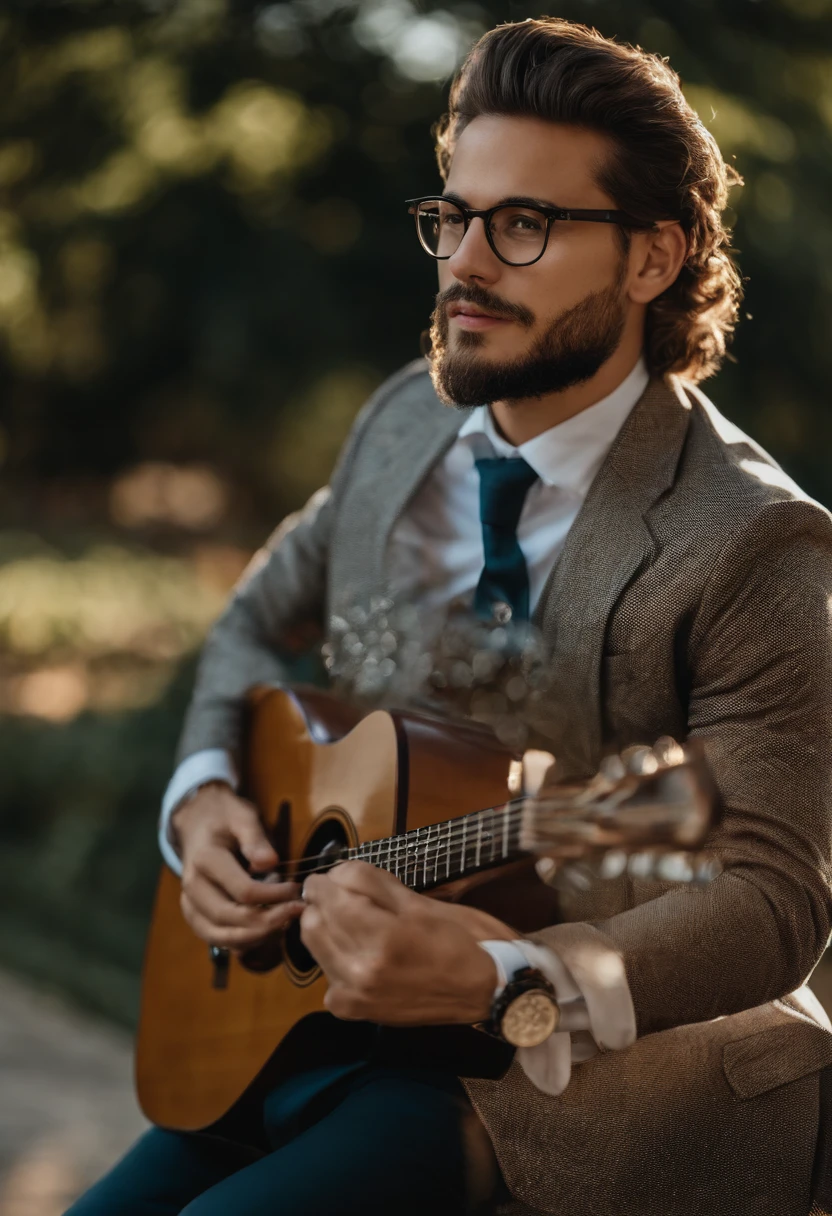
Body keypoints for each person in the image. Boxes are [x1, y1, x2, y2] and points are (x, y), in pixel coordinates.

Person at [67, 17, 832, 1216]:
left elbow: (770, 900)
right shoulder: (403, 426)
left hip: (569, 1083)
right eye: (454, 217)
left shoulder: (752, 540)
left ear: (650, 259)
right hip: (310, 1020)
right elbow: (252, 623)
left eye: (523, 224)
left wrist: (494, 973)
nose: (466, 262)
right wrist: (204, 795)